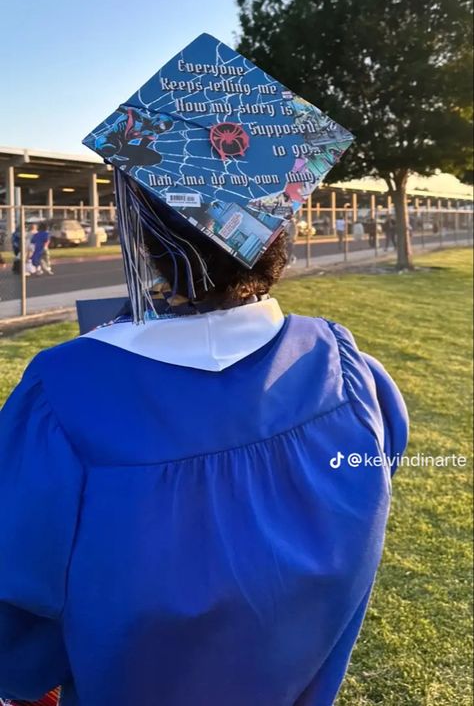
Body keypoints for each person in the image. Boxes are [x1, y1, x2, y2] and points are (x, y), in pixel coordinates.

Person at [0, 34, 408, 706]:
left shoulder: (63, 404)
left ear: (146, 234)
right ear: (279, 222)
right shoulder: (356, 383)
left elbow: (16, 647)